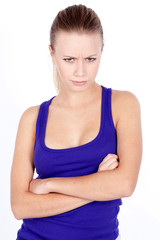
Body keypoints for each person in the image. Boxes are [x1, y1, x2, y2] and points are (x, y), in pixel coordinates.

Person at [10, 4, 142, 240]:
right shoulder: (32, 118)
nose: (80, 71)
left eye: (90, 58)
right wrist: (99, 185)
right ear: (52, 53)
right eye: (69, 59)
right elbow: (20, 206)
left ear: (102, 50)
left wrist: (49, 185)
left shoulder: (123, 105)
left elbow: (124, 184)